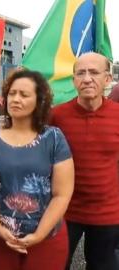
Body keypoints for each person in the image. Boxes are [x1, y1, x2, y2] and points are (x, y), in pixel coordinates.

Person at [0, 69, 74, 270]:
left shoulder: (53, 138)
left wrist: (38, 235)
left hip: (46, 239)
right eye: (12, 93)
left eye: (24, 94)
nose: (15, 99)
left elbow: (61, 194)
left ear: (39, 101)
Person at [51, 52, 119, 270]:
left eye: (94, 72)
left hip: (108, 213)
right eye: (81, 73)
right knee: (56, 264)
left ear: (108, 79)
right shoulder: (56, 116)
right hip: (64, 210)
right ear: (73, 80)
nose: (87, 78)